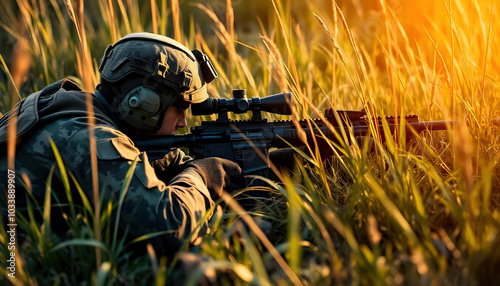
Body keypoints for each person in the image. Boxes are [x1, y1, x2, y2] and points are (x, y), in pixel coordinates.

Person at [0, 32, 242, 255]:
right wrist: (201, 175)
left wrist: (257, 163)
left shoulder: (73, 107)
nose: (182, 122)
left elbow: (170, 164)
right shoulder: (92, 139)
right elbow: (169, 227)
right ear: (143, 103)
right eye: (179, 109)